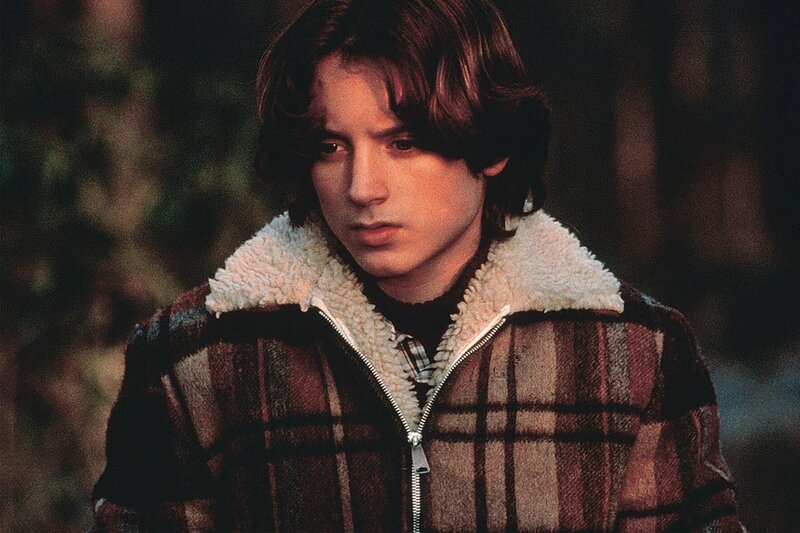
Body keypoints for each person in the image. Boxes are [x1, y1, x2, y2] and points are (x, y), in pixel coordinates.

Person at [91, 0, 743, 531]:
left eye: (403, 142)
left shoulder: (633, 354)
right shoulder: (195, 358)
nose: (362, 187)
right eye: (331, 146)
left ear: (491, 145)